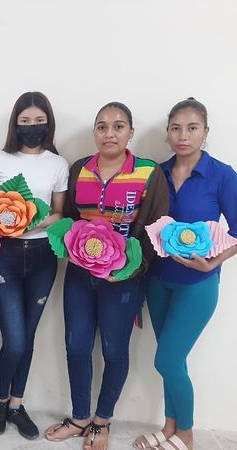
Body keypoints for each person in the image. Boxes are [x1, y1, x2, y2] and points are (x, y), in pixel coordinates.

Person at [44, 102, 168, 450]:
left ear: (131, 132)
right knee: (76, 346)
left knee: (114, 350)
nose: (109, 133)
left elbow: (156, 228)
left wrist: (131, 268)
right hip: (79, 276)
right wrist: (68, 247)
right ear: (95, 132)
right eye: (102, 126)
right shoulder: (79, 169)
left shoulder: (148, 172)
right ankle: (80, 418)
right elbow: (69, 221)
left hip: (123, 281)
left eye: (118, 126)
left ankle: (102, 421)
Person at [132, 98, 237, 450]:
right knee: (171, 359)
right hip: (158, 280)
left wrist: (213, 262)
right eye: (175, 128)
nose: (183, 135)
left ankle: (187, 435)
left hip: (198, 285)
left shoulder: (222, 175)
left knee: (167, 359)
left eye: (192, 128)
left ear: (205, 132)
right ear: (167, 133)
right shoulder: (156, 173)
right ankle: (169, 427)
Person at [0, 92, 68, 440]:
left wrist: (34, 224)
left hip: (43, 257)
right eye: (25, 121)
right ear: (15, 124)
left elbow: (59, 212)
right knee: (14, 340)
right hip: (5, 256)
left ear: (48, 124)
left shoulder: (58, 164)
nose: (32, 127)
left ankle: (16, 404)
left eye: (38, 121)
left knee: (27, 337)